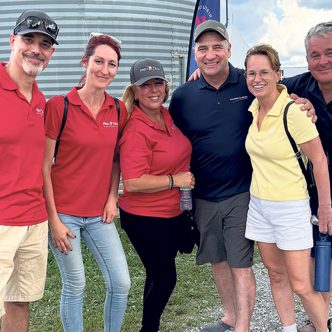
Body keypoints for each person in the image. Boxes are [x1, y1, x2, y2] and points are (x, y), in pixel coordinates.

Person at [170, 20, 315, 332]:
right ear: (195, 53)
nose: (210, 54)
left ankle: (243, 327)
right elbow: (171, 138)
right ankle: (230, 315)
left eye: (217, 47)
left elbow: (279, 95)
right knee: (218, 260)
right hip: (203, 195)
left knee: (240, 263)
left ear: (228, 50)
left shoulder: (247, 81)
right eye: (203, 49)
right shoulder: (183, 96)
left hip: (242, 192)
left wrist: (302, 102)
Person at [42, 33, 130, 332]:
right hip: (64, 213)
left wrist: (112, 198)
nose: (105, 70)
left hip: (98, 214)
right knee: (75, 284)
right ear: (85, 62)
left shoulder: (118, 110)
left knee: (121, 282)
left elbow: (116, 159)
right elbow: (44, 166)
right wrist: (53, 220)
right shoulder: (59, 106)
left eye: (112, 64)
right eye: (99, 62)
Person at [244, 43, 332, 332]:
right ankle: (288, 328)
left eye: (264, 72)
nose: (257, 78)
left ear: (278, 74)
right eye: (251, 73)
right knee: (276, 274)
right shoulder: (253, 107)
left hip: (291, 206)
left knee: (302, 284)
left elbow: (319, 159)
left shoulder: (293, 111)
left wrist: (325, 206)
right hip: (259, 204)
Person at [118, 58, 194, 332]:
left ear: (166, 86)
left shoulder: (165, 114)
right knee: (165, 277)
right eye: (145, 85)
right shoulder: (136, 129)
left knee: (157, 272)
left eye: (158, 83)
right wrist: (176, 180)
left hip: (171, 213)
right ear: (134, 91)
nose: (153, 90)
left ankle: (149, 327)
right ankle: (149, 329)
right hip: (145, 218)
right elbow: (134, 182)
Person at [0, 9, 58, 332]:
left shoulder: (40, 100)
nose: (36, 49)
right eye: (29, 39)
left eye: (45, 44)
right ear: (12, 41)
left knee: (19, 301)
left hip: (33, 221)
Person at [282, 21, 332, 332]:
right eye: (315, 55)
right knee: (320, 261)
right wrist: (201, 75)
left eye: (329, 53)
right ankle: (321, 321)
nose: (322, 61)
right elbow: (261, 87)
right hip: (315, 195)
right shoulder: (298, 86)